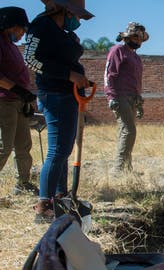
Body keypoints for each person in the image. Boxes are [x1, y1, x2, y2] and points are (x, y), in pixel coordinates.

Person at [24, 0, 94, 220]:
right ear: (65, 9)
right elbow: (31, 60)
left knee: (64, 149)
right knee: (56, 151)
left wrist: (80, 78)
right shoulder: (41, 26)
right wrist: (69, 75)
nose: (77, 20)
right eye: (76, 15)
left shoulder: (61, 32)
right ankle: (44, 205)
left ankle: (61, 198)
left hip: (67, 94)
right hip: (55, 95)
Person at [0, 7, 39, 196]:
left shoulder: (12, 46)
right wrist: (17, 90)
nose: (23, 33)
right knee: (3, 147)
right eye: (20, 28)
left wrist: (27, 96)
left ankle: (23, 183)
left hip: (18, 102)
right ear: (8, 25)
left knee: (23, 146)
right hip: (4, 102)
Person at [104, 22, 149, 172]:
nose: (137, 41)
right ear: (127, 36)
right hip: (120, 96)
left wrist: (139, 101)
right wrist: (111, 97)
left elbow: (136, 80)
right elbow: (109, 74)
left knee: (126, 132)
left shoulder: (136, 57)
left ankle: (127, 168)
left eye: (140, 39)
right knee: (129, 131)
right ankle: (118, 170)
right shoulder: (117, 50)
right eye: (135, 37)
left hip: (133, 98)